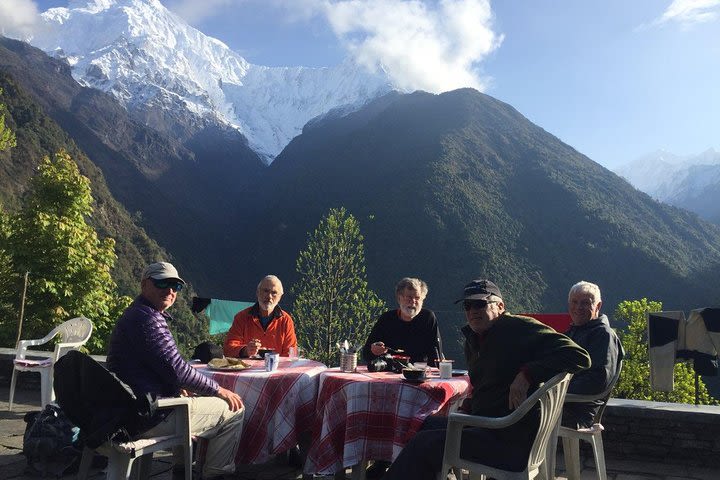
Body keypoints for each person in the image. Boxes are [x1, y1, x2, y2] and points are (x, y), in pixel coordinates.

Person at [383, 279, 591, 480]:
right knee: (422, 424)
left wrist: (528, 374)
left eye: (481, 303)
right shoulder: (476, 339)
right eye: (468, 305)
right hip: (488, 426)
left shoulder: (518, 328)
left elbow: (579, 356)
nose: (473, 310)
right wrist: (468, 406)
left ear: (500, 306)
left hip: (507, 439)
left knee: (424, 443)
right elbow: (487, 385)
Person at [107, 262, 245, 479]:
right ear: (144, 285)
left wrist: (176, 386)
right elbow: (178, 370)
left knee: (185, 397)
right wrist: (218, 390)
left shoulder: (138, 314)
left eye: (176, 286)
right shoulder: (147, 319)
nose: (170, 290)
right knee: (234, 409)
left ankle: (181, 471)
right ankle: (217, 474)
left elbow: (162, 367)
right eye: (163, 282)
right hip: (147, 415)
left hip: (131, 408)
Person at [562, 281, 623, 428]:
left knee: (521, 417)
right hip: (563, 405)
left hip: (578, 411)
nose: (578, 308)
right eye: (574, 302)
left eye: (585, 303)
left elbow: (599, 379)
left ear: (598, 306)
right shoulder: (571, 333)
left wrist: (554, 391)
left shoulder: (603, 335)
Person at [362, 277, 441, 365]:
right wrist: (374, 351)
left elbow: (436, 355)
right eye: (409, 297)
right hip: (389, 373)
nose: (413, 302)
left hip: (419, 373)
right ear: (399, 298)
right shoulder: (387, 319)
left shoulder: (428, 318)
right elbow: (366, 354)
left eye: (417, 298)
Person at [224, 275, 297, 357]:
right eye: (266, 291)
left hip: (275, 368)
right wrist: (245, 350)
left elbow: (291, 353)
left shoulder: (286, 320)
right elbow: (228, 349)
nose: (269, 296)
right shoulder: (242, 317)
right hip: (246, 368)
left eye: (274, 293)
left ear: (280, 297)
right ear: (258, 293)